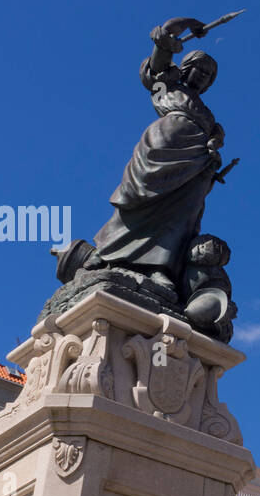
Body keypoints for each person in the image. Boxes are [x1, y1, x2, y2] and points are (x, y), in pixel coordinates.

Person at [91, 17, 227, 298]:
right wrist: (188, 24)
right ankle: (105, 252)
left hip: (196, 164)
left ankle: (160, 269)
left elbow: (216, 138)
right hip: (161, 147)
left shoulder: (207, 113)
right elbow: (163, 46)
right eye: (198, 69)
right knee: (138, 198)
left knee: (181, 215)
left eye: (208, 75)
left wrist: (213, 148)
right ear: (186, 67)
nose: (201, 76)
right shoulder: (167, 85)